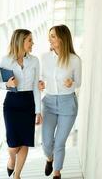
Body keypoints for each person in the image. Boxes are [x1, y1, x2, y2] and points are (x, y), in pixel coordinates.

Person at [0, 29, 43, 179]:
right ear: (20, 41)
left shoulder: (35, 60)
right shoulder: (6, 60)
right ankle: (11, 159)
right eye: (29, 40)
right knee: (13, 144)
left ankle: (17, 175)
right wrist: (7, 84)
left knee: (25, 141)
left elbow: (37, 87)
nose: (32, 43)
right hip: (12, 102)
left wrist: (38, 111)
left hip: (29, 102)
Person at [38, 24, 82, 179]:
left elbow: (79, 82)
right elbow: (41, 77)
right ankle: (49, 159)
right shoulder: (44, 57)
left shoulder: (74, 59)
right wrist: (40, 83)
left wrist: (72, 83)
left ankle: (57, 173)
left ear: (63, 39)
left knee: (60, 143)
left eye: (53, 36)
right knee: (46, 142)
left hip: (67, 104)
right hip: (49, 103)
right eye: (50, 35)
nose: (49, 39)